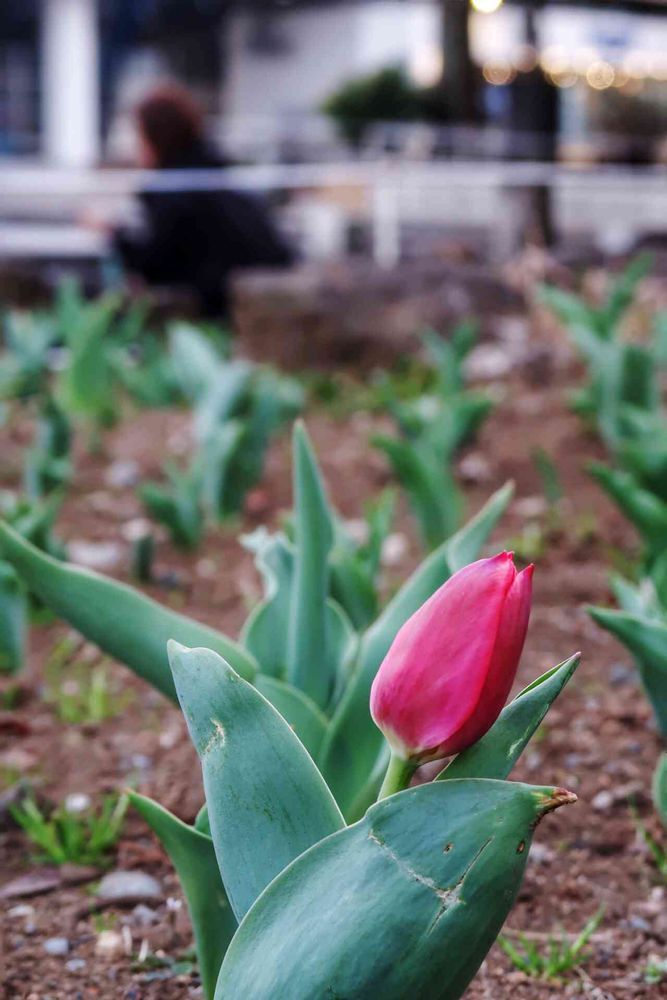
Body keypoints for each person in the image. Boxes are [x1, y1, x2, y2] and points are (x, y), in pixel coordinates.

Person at [111, 84, 295, 317]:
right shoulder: (211, 171)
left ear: (154, 137)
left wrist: (113, 234)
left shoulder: (178, 187)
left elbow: (156, 266)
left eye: (139, 136)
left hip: (226, 312)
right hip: (256, 300)